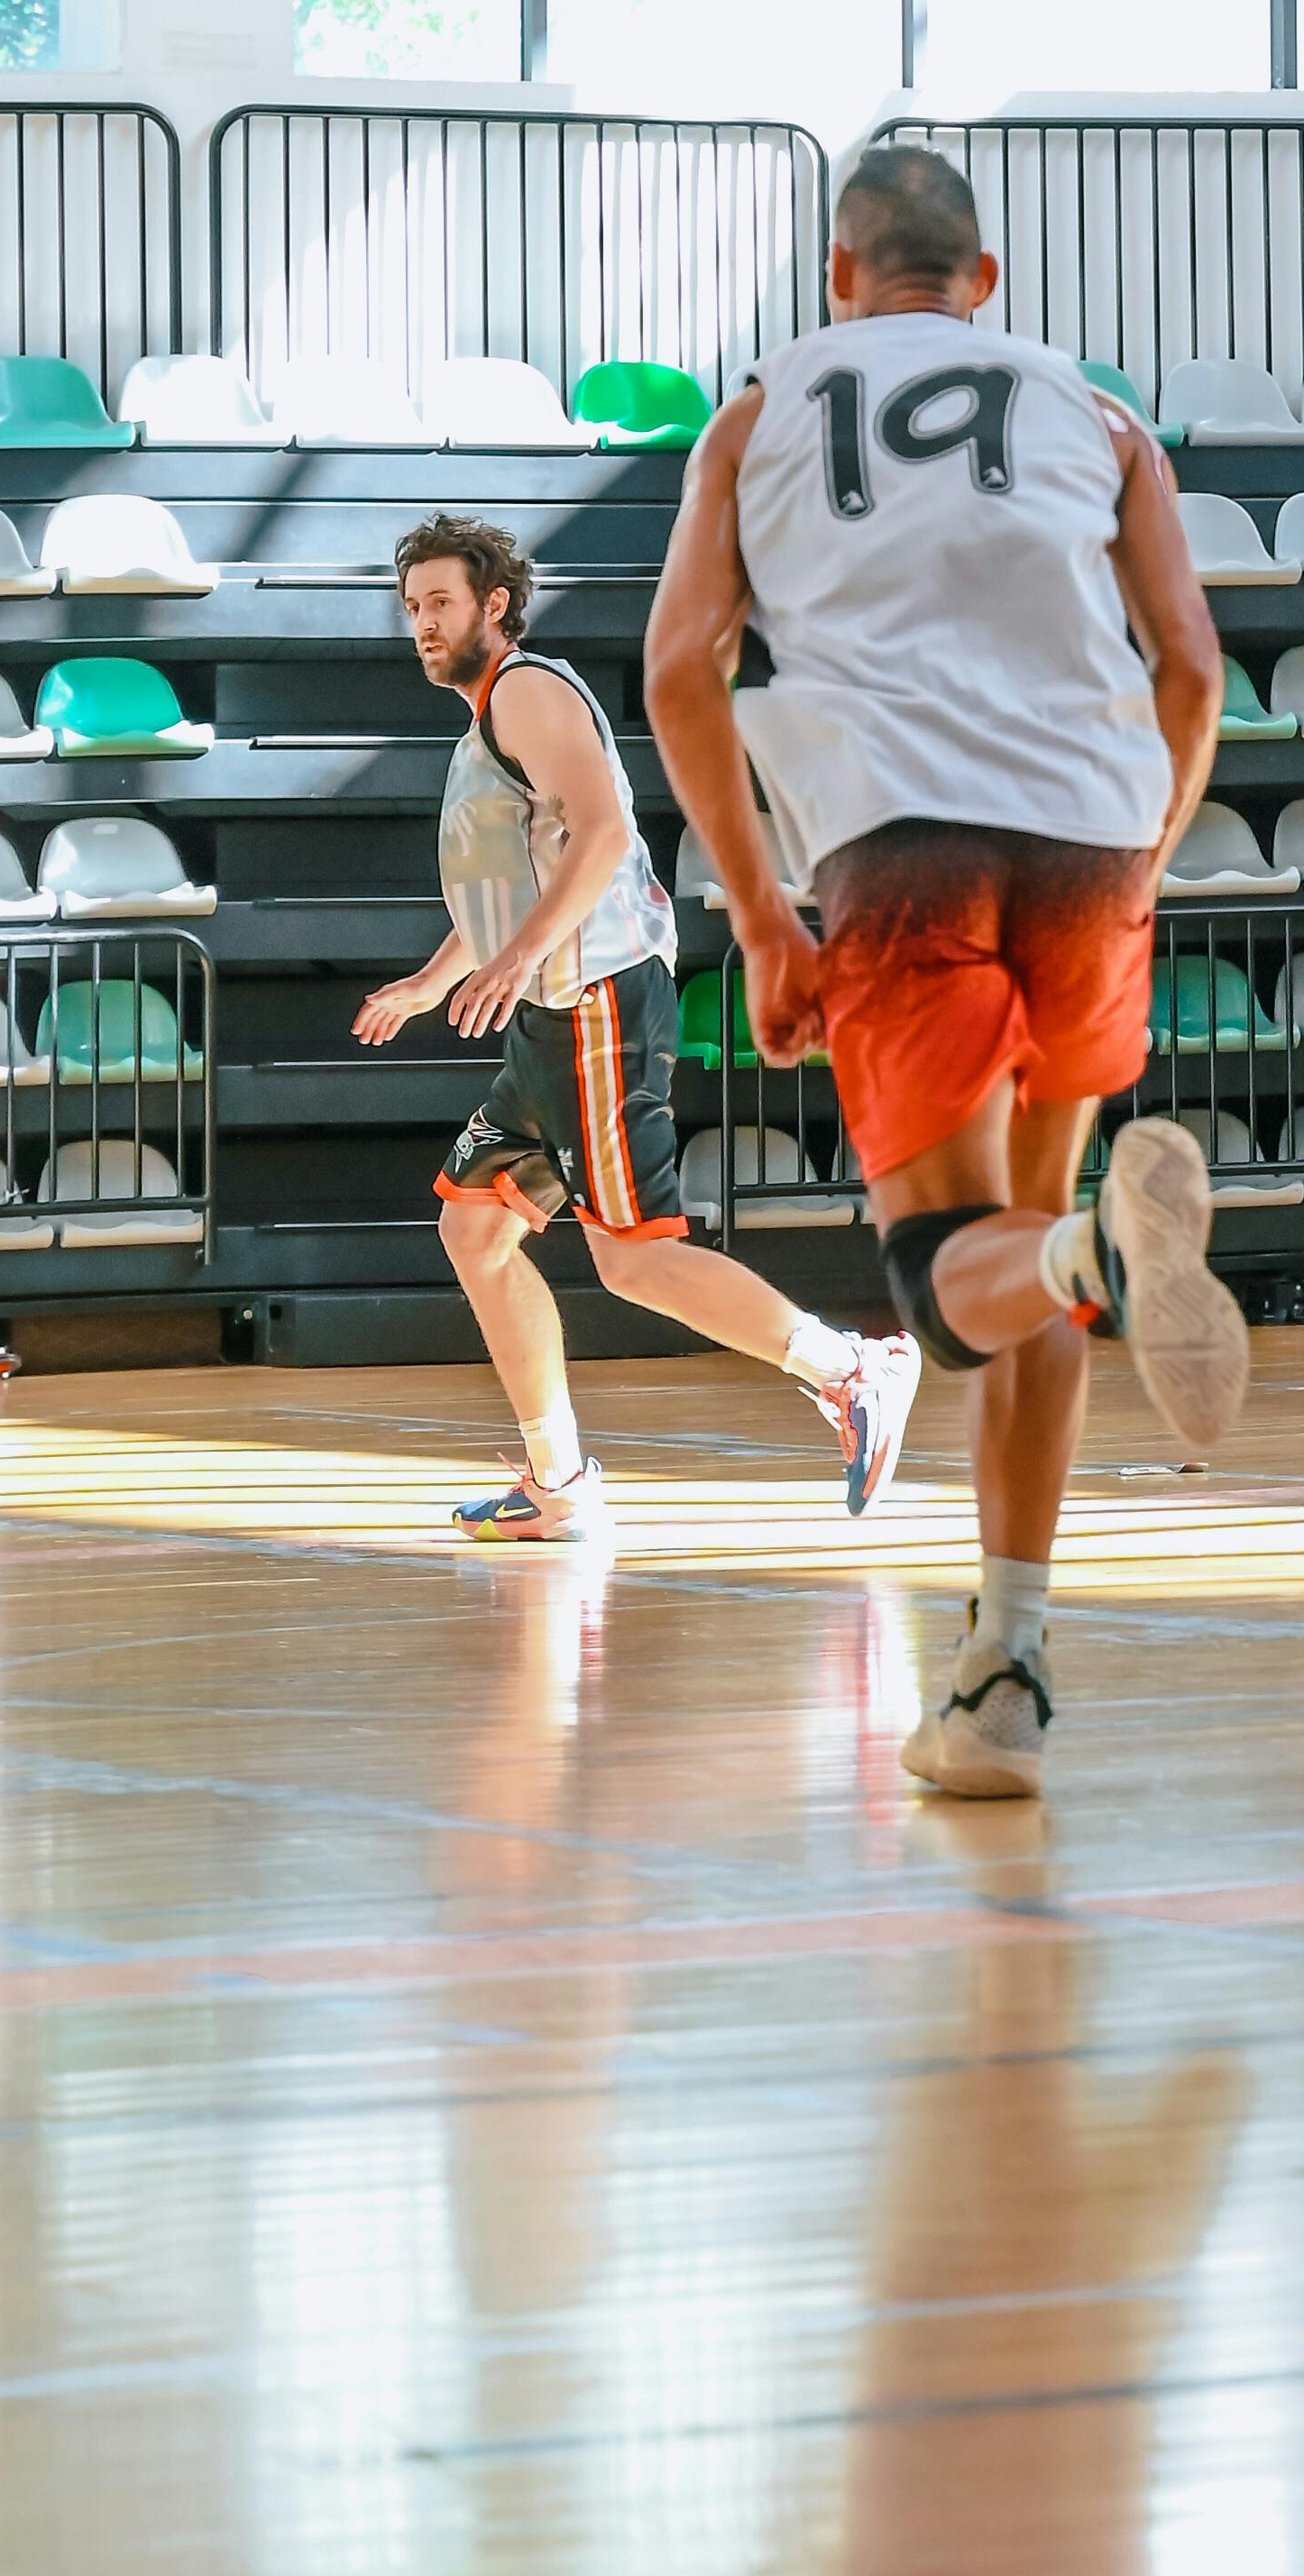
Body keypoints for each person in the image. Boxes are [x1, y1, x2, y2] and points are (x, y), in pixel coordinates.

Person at [642, 141, 1236, 1800]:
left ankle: (1101, 1250)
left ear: (841, 278)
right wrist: (1149, 857)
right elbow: (1190, 667)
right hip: (1093, 831)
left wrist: (762, 912)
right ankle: (1005, 1670)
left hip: (897, 840)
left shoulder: (759, 411)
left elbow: (681, 670)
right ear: (984, 283)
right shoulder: (1095, 414)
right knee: (1035, 1257)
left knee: (948, 1273)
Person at [362, 514, 922, 1547]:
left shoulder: (527, 691)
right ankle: (557, 1479)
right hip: (550, 1017)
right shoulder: (488, 719)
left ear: (494, 604)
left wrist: (521, 955)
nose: (422, 625)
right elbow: (505, 886)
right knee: (475, 1231)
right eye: (411, 609)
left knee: (635, 1260)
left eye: (439, 602)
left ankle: (855, 1370)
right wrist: (434, 978)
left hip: (597, 1003)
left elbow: (607, 830)